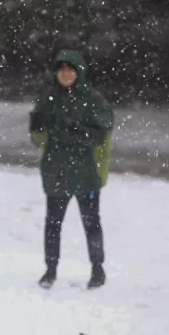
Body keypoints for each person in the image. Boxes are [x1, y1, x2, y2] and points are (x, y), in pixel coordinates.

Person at [29, 49, 114, 290]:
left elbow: (103, 135)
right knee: (53, 223)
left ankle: (98, 269)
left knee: (91, 224)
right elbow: (39, 140)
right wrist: (37, 127)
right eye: (62, 70)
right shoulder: (48, 97)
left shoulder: (93, 98)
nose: (66, 74)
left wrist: (83, 133)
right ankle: (50, 269)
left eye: (70, 70)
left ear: (79, 72)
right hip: (56, 171)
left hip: (86, 173)